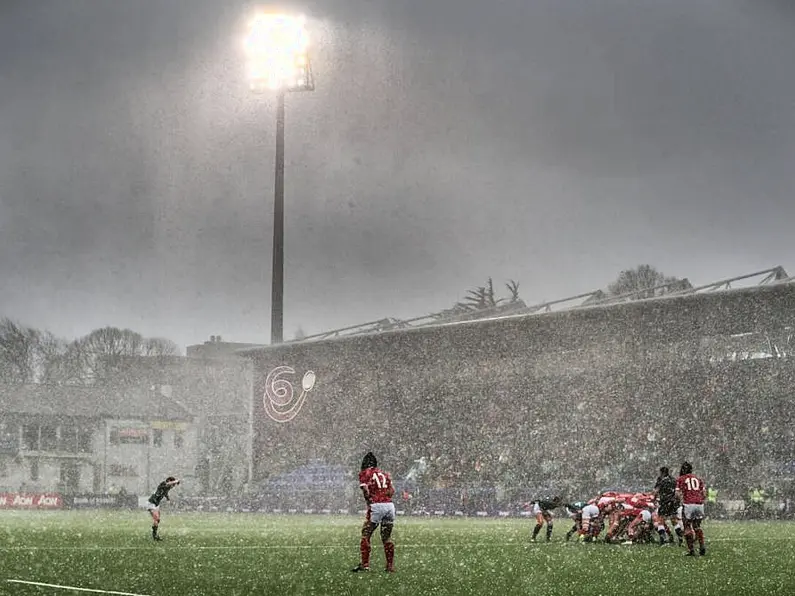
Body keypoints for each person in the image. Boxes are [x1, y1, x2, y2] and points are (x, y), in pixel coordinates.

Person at [351, 452, 396, 573]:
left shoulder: (365, 473)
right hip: (389, 506)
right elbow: (392, 490)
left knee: (366, 533)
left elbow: (365, 490)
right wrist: (384, 496)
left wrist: (370, 502)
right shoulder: (384, 474)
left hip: (376, 505)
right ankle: (390, 566)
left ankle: (365, 565)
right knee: (386, 537)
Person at [675, 462, 706, 556]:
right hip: (699, 504)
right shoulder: (698, 478)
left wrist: (681, 500)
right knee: (697, 526)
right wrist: (699, 499)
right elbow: (704, 493)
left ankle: (691, 550)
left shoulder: (681, 479)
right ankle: (702, 546)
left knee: (687, 527)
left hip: (688, 504)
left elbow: (677, 494)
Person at [654, 466, 682, 545]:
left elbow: (656, 491)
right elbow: (677, 492)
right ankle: (680, 537)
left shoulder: (661, 480)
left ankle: (663, 539)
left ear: (662, 472)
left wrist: (654, 498)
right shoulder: (673, 480)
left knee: (660, 521)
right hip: (672, 502)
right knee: (674, 521)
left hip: (664, 502)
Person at [146, 476, 180, 541]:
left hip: (156, 504)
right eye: (173, 484)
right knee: (156, 518)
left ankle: (155, 534)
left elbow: (165, 493)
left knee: (157, 520)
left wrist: (168, 499)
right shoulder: (163, 483)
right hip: (151, 503)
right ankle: (155, 536)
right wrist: (176, 481)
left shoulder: (167, 488)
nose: (173, 486)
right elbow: (167, 484)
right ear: (169, 481)